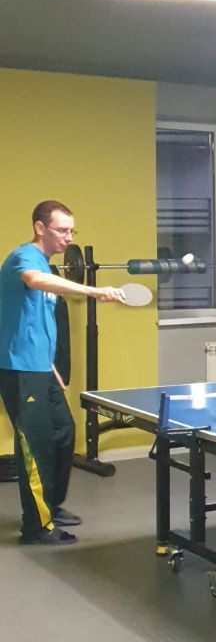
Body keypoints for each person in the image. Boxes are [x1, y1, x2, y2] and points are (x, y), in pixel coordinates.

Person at [0, 201, 125, 546]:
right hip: (20, 371)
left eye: (72, 231)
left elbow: (35, 322)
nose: (69, 238)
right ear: (40, 228)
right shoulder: (24, 257)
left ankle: (50, 506)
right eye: (62, 230)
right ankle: (36, 527)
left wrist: (52, 366)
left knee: (64, 432)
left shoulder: (45, 263)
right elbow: (34, 280)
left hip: (41, 369)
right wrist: (94, 291)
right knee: (35, 445)